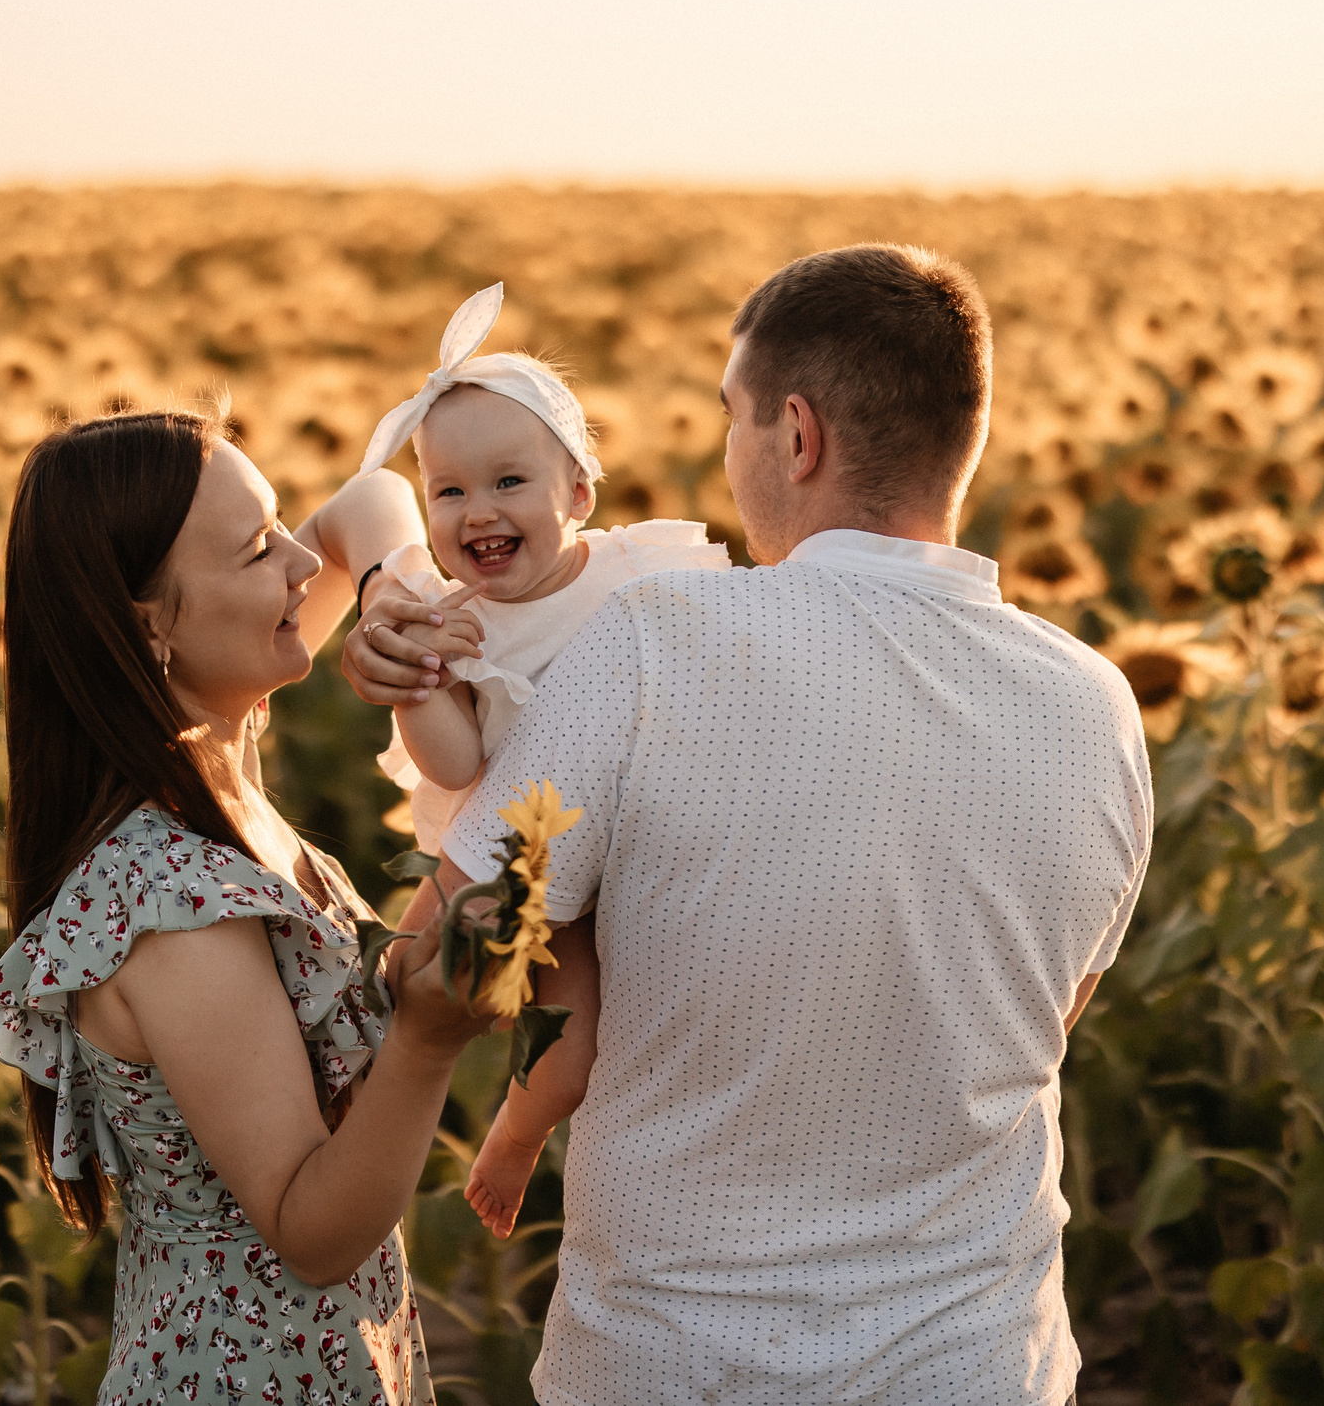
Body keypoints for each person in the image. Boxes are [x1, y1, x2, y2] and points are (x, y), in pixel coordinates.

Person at [345, 245, 1155, 1404]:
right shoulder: (1095, 705)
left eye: (732, 418)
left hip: (676, 1362)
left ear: (795, 433)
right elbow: (1049, 1011)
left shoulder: (652, 648)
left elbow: (459, 959)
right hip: (976, 1361)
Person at [0, 410, 507, 1406]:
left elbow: (364, 505)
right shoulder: (178, 908)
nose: (305, 560)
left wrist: (393, 591)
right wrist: (426, 1041)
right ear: (151, 627)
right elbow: (309, 1230)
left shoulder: (211, 751)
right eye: (260, 548)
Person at [308, 282, 728, 1237]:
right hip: (511, 846)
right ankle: (341, 1131)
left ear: (577, 493)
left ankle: (515, 1135)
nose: (476, 511)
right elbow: (456, 768)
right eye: (448, 491)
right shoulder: (456, 622)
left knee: (572, 1037)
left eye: (508, 482)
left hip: (620, 843)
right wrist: (421, 680)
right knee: (401, 979)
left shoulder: (637, 576)